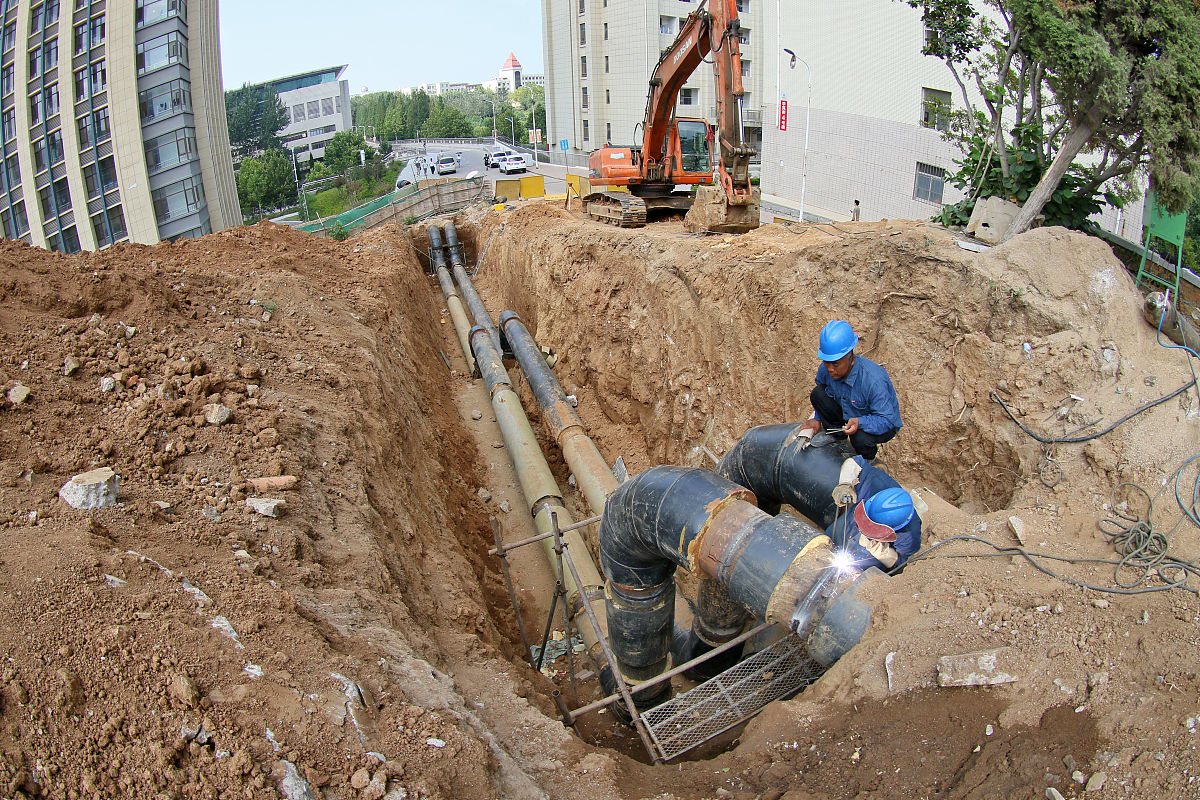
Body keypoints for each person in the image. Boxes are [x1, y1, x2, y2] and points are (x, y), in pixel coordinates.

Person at [797, 320, 901, 461]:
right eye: (826, 362)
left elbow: (887, 420)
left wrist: (860, 422)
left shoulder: (873, 380)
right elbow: (822, 394)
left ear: (850, 357)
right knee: (818, 394)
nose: (830, 369)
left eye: (836, 363)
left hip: (879, 422)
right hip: (848, 414)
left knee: (860, 438)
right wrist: (817, 419)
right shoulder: (826, 370)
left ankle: (868, 461)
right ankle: (836, 435)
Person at [827, 456, 921, 571]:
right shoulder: (877, 483)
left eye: (869, 527)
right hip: (848, 524)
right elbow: (856, 461)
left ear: (891, 529)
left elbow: (901, 564)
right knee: (825, 544)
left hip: (865, 555)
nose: (862, 529)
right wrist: (845, 484)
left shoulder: (909, 535)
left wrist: (883, 552)